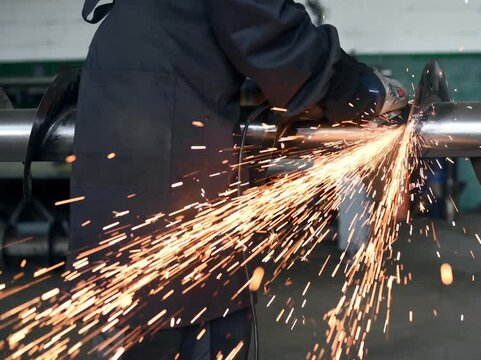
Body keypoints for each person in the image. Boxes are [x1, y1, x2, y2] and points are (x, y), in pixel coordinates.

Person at [72, 0, 387, 358]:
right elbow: (264, 24)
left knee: (139, 302)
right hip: (167, 122)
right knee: (180, 307)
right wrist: (346, 83)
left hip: (147, 95)